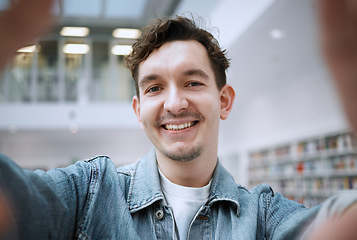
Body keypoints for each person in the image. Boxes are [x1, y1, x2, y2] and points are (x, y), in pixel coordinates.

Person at [0, 0, 357, 239]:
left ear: (224, 101)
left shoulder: (262, 216)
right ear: (139, 111)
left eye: (192, 82)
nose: (174, 102)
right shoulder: (88, 192)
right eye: (154, 88)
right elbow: (19, 201)